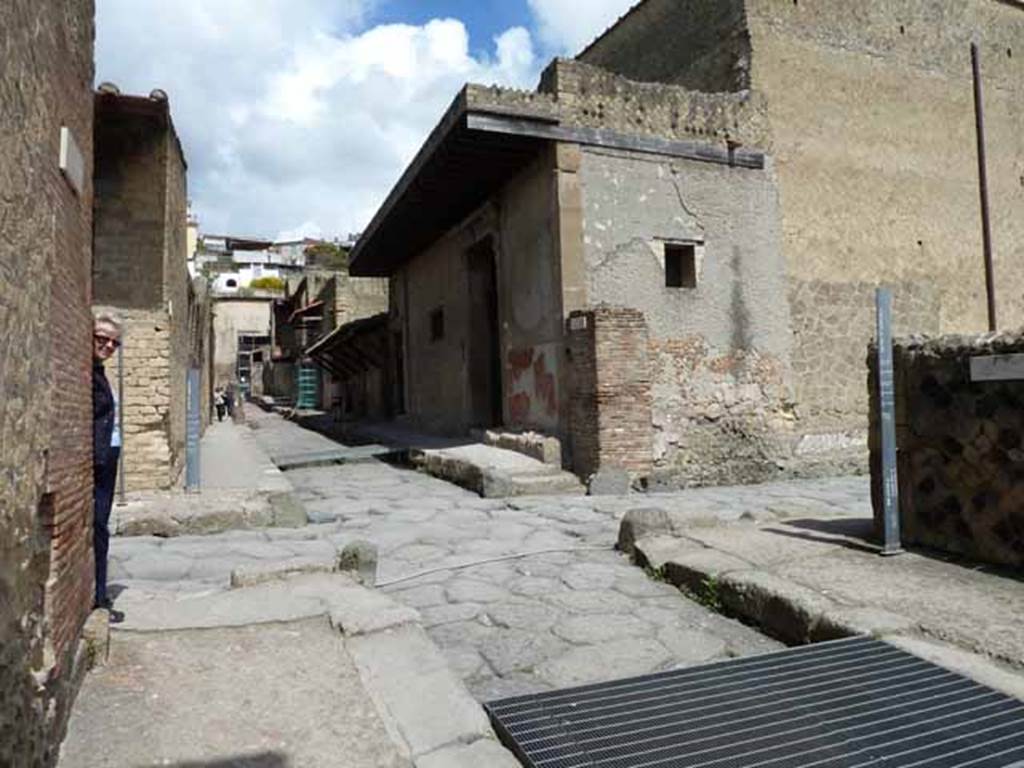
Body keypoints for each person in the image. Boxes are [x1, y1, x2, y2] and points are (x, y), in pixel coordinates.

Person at [92, 313, 124, 623]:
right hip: (98, 460)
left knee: (100, 526)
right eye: (102, 338)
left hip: (108, 457)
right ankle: (98, 599)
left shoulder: (99, 372)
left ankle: (99, 593)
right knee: (98, 527)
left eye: (115, 342)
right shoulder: (86, 373)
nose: (108, 345)